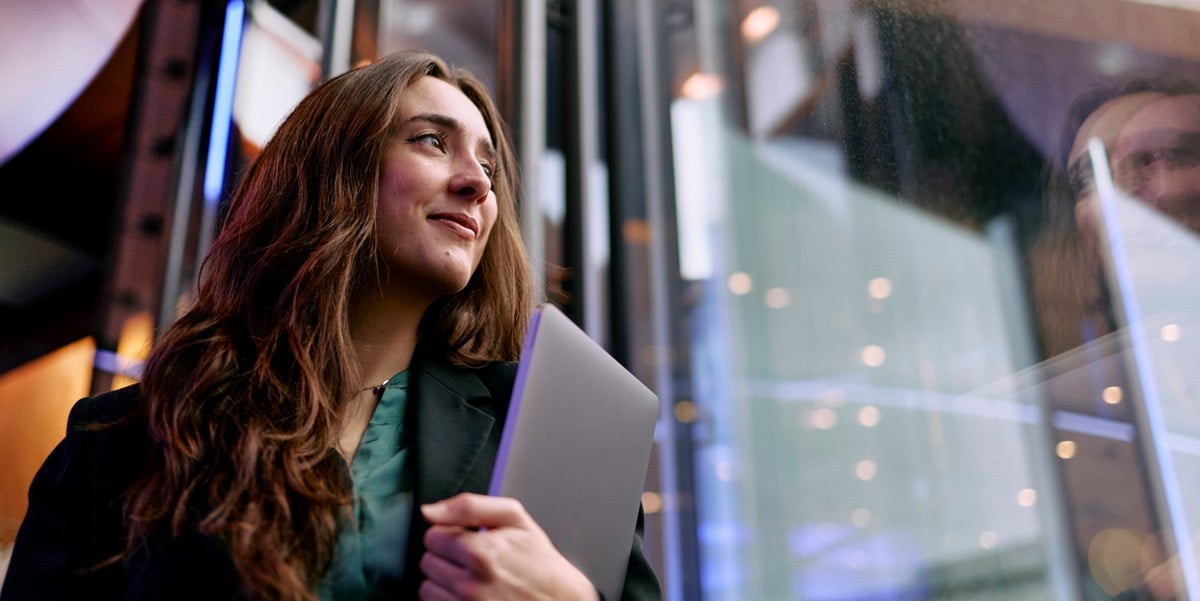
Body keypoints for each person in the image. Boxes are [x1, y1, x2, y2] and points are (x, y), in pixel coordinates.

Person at [0, 50, 660, 601]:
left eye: (489, 168)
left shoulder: (542, 431)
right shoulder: (122, 440)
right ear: (332, 171)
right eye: (433, 141)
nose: (479, 186)